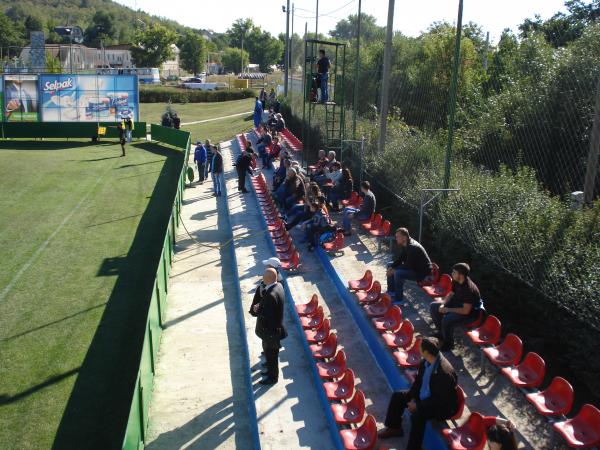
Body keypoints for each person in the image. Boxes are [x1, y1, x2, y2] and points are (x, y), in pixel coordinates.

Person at [377, 337, 459, 449]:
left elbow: (438, 399)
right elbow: (418, 382)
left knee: (417, 417)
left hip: (444, 406)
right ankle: (394, 428)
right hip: (428, 395)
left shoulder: (444, 372)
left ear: (425, 352)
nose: (418, 349)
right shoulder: (425, 362)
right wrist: (413, 397)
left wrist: (418, 406)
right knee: (398, 396)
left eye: (420, 347)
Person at [430, 263, 483, 352]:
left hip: (470, 315)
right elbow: (451, 294)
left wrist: (447, 309)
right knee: (434, 307)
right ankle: (442, 333)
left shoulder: (469, 289)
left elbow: (466, 311)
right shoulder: (457, 281)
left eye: (454, 272)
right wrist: (443, 304)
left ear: (461, 275)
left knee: (447, 319)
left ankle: (449, 344)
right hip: (458, 305)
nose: (452, 273)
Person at [250, 268, 287, 385]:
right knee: (269, 353)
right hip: (273, 330)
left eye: (264, 276)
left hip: (270, 332)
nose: (262, 278)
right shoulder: (279, 286)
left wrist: (258, 309)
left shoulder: (271, 295)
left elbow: (268, 316)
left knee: (272, 356)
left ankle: (272, 377)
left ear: (267, 279)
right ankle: (270, 371)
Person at [386, 227, 432, 303]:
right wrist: (392, 267)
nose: (396, 238)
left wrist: (394, 270)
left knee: (398, 273)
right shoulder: (406, 244)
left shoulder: (412, 247)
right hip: (414, 268)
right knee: (389, 265)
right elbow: (401, 259)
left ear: (404, 237)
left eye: (398, 237)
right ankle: (391, 291)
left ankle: (399, 299)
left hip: (421, 273)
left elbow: (408, 266)